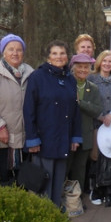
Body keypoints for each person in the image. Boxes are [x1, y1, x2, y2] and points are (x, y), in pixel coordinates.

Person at [23, 40, 82, 207]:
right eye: (55, 53)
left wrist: (75, 138)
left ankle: (55, 214)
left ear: (67, 56)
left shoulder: (70, 79)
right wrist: (32, 139)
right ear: (48, 57)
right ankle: (43, 217)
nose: (59, 57)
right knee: (43, 182)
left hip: (63, 139)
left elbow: (75, 110)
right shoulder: (37, 77)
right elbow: (29, 110)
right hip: (44, 140)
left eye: (62, 53)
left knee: (58, 182)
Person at [0, 34, 34, 185]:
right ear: (3, 52)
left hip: (24, 140)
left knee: (22, 181)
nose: (15, 53)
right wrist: (0, 125)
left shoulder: (31, 73)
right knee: (0, 181)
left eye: (19, 49)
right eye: (10, 49)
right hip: (0, 139)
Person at [67, 53, 103, 204]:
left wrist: (80, 103)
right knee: (65, 167)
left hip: (85, 135)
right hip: (67, 134)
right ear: (73, 68)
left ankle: (76, 200)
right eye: (79, 67)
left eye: (86, 67)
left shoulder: (92, 88)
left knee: (80, 169)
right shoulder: (66, 83)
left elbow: (96, 110)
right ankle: (62, 197)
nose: (82, 70)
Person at [88, 50, 111, 206]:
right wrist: (100, 115)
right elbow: (86, 101)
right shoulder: (91, 79)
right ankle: (96, 189)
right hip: (96, 123)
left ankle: (109, 190)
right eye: (105, 61)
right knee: (96, 156)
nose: (107, 64)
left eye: (110, 61)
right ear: (99, 62)